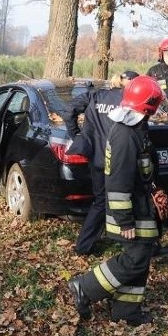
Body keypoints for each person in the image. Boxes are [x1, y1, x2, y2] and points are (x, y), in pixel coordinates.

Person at [66, 75, 165, 326]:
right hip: (129, 212)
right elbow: (118, 182)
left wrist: (154, 188)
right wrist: (125, 221)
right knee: (136, 258)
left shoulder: (135, 128)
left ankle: (126, 311)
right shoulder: (125, 135)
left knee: (140, 257)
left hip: (141, 206)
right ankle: (85, 287)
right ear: (146, 106)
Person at [63, 70, 138, 256]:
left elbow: (68, 111)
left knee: (101, 201)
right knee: (128, 199)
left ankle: (84, 245)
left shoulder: (96, 95)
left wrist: (77, 136)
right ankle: (134, 244)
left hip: (97, 158)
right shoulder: (128, 101)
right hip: (119, 159)